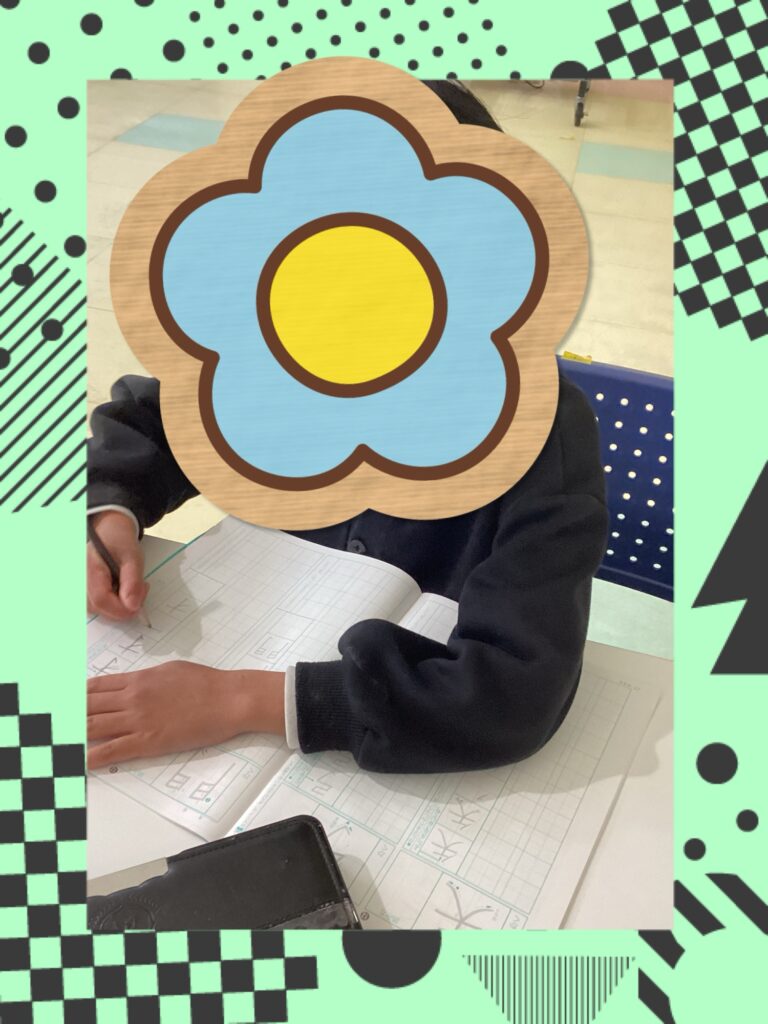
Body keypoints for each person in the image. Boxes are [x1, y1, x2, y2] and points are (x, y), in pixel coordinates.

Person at [86, 80, 608, 775]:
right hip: (260, 623)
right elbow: (152, 420)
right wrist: (108, 509)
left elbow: (515, 693)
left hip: (388, 725)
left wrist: (242, 700)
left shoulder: (544, 430)